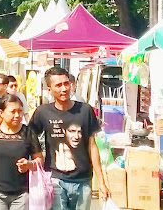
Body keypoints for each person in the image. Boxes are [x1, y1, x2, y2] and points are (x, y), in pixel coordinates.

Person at [29, 67, 109, 210]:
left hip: (83, 180)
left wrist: (101, 182)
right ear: (49, 89)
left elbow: (92, 146)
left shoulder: (85, 110)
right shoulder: (43, 112)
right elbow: (28, 136)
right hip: (55, 179)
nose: (64, 88)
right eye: (58, 85)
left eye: (66, 83)